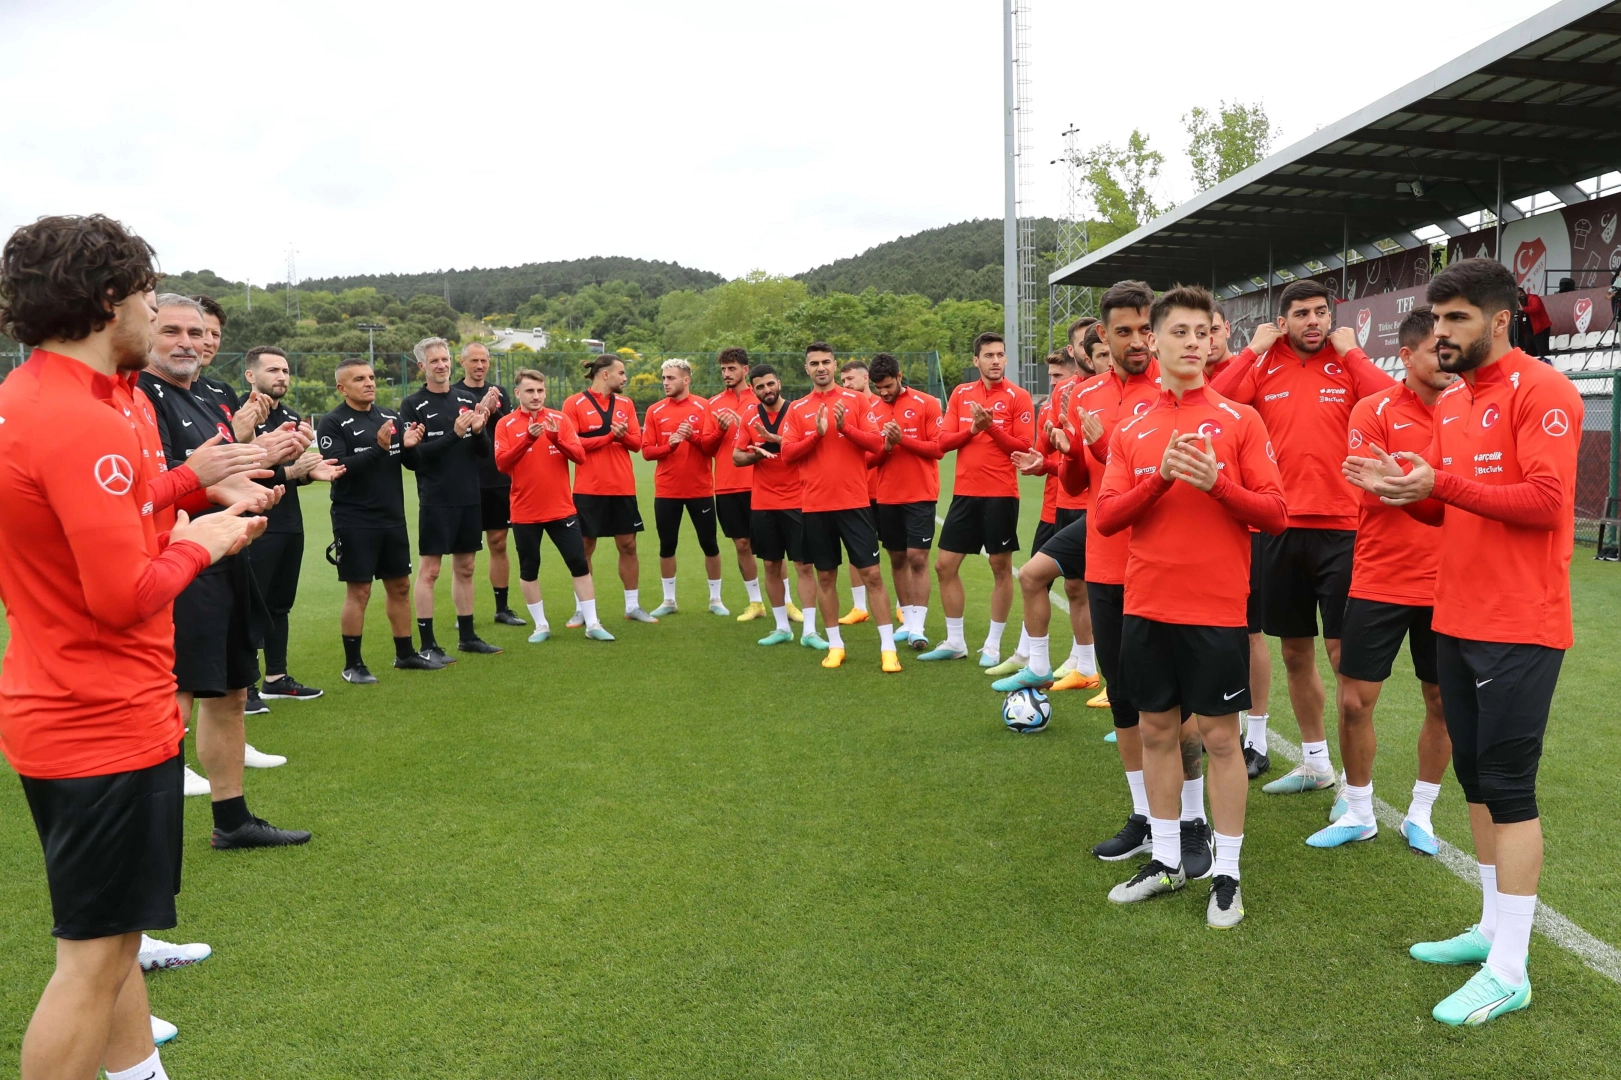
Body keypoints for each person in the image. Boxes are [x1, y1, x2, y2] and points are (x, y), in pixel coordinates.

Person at [0, 213, 274, 1080]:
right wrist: (211, 538)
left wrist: (193, 479)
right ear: (109, 299)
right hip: (100, 719)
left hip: (69, 705)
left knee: (113, 946)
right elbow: (123, 595)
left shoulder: (48, 396)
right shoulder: (76, 419)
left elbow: (101, 516)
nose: (159, 319)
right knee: (91, 962)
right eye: (152, 300)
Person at [1345, 257, 1582, 1025]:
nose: (1439, 332)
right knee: (1476, 785)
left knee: (1508, 789)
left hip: (1519, 624)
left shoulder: (1542, 390)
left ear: (1499, 320)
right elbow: (1449, 511)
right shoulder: (1450, 404)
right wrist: (1402, 491)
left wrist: (1436, 485)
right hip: (1456, 616)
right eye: (1434, 318)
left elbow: (1546, 503)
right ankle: (1489, 930)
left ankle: (1510, 970)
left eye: (1455, 319)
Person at [1093, 284, 1287, 928]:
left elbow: (1276, 514)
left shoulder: (1241, 420)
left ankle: (1226, 871)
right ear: (1155, 339)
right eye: (1179, 332)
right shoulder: (1134, 426)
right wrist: (1161, 480)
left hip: (1215, 608)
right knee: (1154, 732)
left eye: (1203, 333)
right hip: (1147, 605)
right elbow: (1107, 517)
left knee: (1220, 739)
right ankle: (1170, 858)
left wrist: (1219, 485)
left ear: (1213, 339)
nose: (1193, 343)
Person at [1210, 279, 1395, 796]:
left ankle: (1357, 782)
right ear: (1282, 320)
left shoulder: (1347, 363)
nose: (1312, 322)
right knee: (1294, 651)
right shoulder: (1263, 363)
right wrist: (1251, 351)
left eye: (1319, 312)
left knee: (1342, 656)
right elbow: (1215, 402)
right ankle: (1316, 762)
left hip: (1342, 527)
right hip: (1277, 527)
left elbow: (1389, 400)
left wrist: (1353, 353)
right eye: (1300, 314)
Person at [138, 294, 311, 846]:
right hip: (178, 560)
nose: (187, 342)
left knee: (231, 691)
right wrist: (235, 481)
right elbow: (166, 482)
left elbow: (220, 471)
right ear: (147, 332)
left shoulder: (208, 397)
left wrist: (265, 470)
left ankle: (232, 820)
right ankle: (150, 834)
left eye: (197, 331)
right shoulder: (142, 396)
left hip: (227, 553)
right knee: (176, 699)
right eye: (172, 331)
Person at [1308, 307, 1454, 853]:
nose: (1446, 359)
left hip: (1449, 581)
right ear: (1407, 355)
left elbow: (1457, 490)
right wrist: (1429, 483)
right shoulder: (1373, 410)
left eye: (1450, 350)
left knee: (1442, 700)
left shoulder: (1468, 410)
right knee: (1354, 701)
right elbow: (1372, 487)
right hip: (1380, 577)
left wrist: (1410, 480)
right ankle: (1359, 810)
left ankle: (1422, 811)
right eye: (1436, 350)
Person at [316, 357, 444, 680]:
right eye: (359, 379)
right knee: (359, 591)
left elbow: (409, 463)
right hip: (354, 518)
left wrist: (410, 446)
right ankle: (353, 665)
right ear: (341, 388)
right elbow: (337, 469)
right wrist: (379, 448)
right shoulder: (333, 423)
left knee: (400, 586)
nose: (369, 383)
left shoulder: (389, 415)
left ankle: (405, 654)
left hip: (392, 517)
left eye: (371, 377)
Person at [780, 342, 901, 672]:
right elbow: (787, 454)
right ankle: (835, 644)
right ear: (806, 369)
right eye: (814, 363)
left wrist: (846, 428)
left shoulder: (858, 401)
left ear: (835, 366)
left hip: (854, 503)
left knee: (872, 574)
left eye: (826, 362)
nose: (821, 367)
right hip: (816, 506)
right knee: (826, 576)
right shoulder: (797, 409)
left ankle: (888, 648)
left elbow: (878, 443)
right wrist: (816, 436)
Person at [917, 332, 1034, 664]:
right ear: (976, 361)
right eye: (988, 355)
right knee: (944, 566)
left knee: (1000, 567)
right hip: (965, 494)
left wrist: (991, 429)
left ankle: (993, 645)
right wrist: (972, 429)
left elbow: (1024, 446)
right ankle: (956, 642)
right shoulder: (961, 394)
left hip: (1000, 494)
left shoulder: (1018, 396)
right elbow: (942, 443)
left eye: (1000, 355)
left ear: (1006, 359)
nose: (995, 361)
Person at [242, 346, 343, 711]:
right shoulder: (239, 416)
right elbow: (242, 471)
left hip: (289, 523)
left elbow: (292, 473)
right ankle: (245, 687)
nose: (282, 376)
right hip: (254, 523)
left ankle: (276, 678)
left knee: (279, 604)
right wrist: (292, 472)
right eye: (272, 370)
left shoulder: (292, 416)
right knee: (251, 605)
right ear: (251, 375)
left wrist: (310, 472)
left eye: (285, 370)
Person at [997, 348, 1100, 691]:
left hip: (1101, 507)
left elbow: (1106, 463)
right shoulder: (1066, 394)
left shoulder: (1117, 394)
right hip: (1061, 504)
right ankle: (1062, 662)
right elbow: (1056, 454)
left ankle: (1099, 677)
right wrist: (1045, 459)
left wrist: (1052, 461)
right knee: (1058, 582)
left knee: (1112, 596)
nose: (1055, 382)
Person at [399, 336, 502, 660]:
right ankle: (428, 644)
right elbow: (415, 459)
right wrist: (454, 434)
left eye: (444, 359)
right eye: (434, 361)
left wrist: (478, 429)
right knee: (430, 570)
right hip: (436, 497)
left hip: (468, 495)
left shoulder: (464, 398)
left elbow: (482, 451)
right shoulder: (412, 405)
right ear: (422, 367)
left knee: (467, 567)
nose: (441, 365)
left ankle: (467, 636)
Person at [495, 369, 614, 642]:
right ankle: (541, 626)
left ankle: (593, 623)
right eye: (529, 391)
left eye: (540, 391)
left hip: (562, 509)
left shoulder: (559, 419)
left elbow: (580, 457)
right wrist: (528, 438)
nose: (535, 396)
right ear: (518, 394)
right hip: (525, 511)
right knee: (529, 568)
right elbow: (502, 464)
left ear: (545, 392)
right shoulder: (506, 424)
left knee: (579, 564)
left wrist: (556, 439)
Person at [1207, 302, 1273, 774]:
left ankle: (1258, 738)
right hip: (1198, 531)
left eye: (1211, 330)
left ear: (1227, 329)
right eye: (1192, 332)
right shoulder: (1187, 384)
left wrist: (1248, 353)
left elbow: (1221, 398)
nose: (1204, 340)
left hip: (1247, 526)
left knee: (1249, 633)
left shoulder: (1246, 369)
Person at [563, 353, 657, 622]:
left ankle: (632, 606)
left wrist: (623, 435)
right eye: (621, 373)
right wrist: (608, 437)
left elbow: (637, 444)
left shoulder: (626, 403)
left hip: (622, 487)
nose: (625, 378)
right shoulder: (574, 403)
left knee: (628, 545)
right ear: (605, 374)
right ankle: (582, 609)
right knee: (584, 547)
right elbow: (574, 445)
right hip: (588, 489)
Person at [733, 364, 820, 646]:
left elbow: (809, 445)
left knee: (804, 565)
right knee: (771, 564)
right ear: (754, 390)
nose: (766, 390)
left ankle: (809, 631)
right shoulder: (749, 416)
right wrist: (757, 455)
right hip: (763, 502)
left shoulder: (796, 411)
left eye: (770, 384)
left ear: (779, 383)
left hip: (797, 499)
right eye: (760, 387)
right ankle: (782, 627)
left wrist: (776, 442)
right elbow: (736, 457)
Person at [865, 352, 943, 651]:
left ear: (899, 377)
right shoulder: (871, 409)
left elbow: (937, 449)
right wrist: (886, 446)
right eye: (878, 387)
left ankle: (919, 628)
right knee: (897, 558)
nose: (883, 393)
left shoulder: (927, 403)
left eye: (887, 386)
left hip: (920, 493)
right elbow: (868, 460)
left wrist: (903, 441)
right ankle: (907, 622)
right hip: (887, 495)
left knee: (918, 558)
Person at [642, 358, 728, 616]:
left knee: (709, 544)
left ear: (686, 379)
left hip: (700, 489)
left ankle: (715, 599)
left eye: (671, 378)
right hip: (667, 490)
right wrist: (671, 446)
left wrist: (692, 437)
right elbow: (646, 452)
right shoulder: (655, 411)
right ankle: (669, 601)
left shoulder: (705, 407)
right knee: (667, 545)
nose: (666, 382)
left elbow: (711, 448)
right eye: (664, 378)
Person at [455, 341, 524, 626]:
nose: (480, 366)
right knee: (464, 551)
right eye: (474, 361)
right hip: (465, 478)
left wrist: (493, 410)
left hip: (496, 479)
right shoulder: (454, 394)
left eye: (484, 360)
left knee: (498, 542)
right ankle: (464, 614)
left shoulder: (499, 392)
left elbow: (507, 429)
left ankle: (502, 607)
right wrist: (478, 411)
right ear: (463, 363)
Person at [710, 347, 766, 620]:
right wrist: (720, 429)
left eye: (732, 368)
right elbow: (707, 448)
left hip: (761, 484)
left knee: (771, 546)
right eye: (723, 369)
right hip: (728, 485)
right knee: (741, 544)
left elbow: (777, 439)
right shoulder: (714, 404)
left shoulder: (762, 399)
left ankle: (787, 602)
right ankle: (755, 602)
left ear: (745, 370)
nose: (726, 374)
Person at [837, 359, 884, 625]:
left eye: (850, 379)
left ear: (866, 379)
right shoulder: (845, 405)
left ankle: (903, 605)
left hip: (884, 489)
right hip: (856, 491)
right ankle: (858, 606)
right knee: (857, 551)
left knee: (896, 550)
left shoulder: (881, 404)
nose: (846, 385)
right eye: (843, 380)